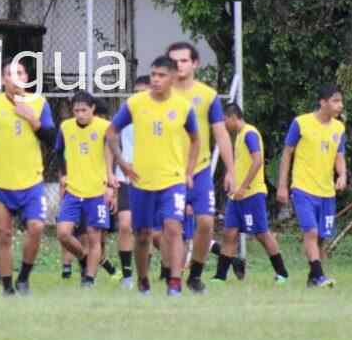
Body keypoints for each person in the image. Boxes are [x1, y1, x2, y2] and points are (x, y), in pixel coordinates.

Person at [107, 56, 199, 297]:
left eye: (161, 75)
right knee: (142, 235)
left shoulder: (183, 107)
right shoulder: (135, 104)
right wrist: (122, 162)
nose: (156, 80)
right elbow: (111, 132)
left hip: (173, 180)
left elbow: (196, 139)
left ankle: (175, 283)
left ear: (172, 78)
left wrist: (189, 172)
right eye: (153, 75)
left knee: (173, 227)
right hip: (141, 181)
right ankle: (143, 280)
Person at [0, 59, 57, 296]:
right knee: (4, 235)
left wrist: (33, 119)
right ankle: (8, 287)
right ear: (2, 80)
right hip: (1, 182)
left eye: (19, 73)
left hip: (31, 181)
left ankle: (24, 278)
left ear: (27, 78)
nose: (15, 77)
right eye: (10, 73)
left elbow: (53, 139)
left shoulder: (39, 103)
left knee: (37, 227)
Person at [165, 41, 235, 294]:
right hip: (169, 171)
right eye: (173, 61)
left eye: (184, 60)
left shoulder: (208, 95)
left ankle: (194, 276)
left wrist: (231, 170)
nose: (178, 65)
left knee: (205, 222)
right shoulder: (161, 95)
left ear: (195, 63)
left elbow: (222, 135)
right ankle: (170, 275)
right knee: (171, 228)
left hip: (200, 170)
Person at [277, 84, 347, 288]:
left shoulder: (339, 128)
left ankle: (312, 277)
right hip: (303, 188)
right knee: (311, 232)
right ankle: (319, 276)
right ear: (322, 102)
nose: (339, 105)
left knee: (322, 238)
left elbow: (339, 155)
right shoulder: (301, 123)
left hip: (327, 192)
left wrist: (342, 174)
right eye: (335, 101)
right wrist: (282, 185)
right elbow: (287, 153)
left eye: (340, 101)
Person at [212, 103, 289, 284]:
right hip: (236, 197)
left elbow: (257, 161)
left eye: (225, 121)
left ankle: (282, 273)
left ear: (232, 117)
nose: (224, 125)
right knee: (229, 233)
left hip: (251, 195)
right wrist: (231, 178)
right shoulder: (238, 136)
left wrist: (243, 187)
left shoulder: (249, 133)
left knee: (262, 234)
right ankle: (220, 276)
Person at [55, 92, 117, 287]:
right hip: (73, 191)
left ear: (93, 109)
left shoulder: (105, 127)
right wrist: (63, 175)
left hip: (97, 192)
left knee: (94, 235)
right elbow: (58, 153)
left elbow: (112, 158)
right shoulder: (65, 127)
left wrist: (110, 186)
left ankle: (89, 279)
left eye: (83, 110)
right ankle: (83, 257)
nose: (80, 114)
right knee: (63, 233)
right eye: (76, 110)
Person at [112, 76, 150, 288]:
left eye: (143, 92)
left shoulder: (160, 115)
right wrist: (113, 174)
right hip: (126, 177)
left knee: (147, 229)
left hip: (152, 179)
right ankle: (127, 276)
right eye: (135, 92)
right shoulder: (124, 115)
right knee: (125, 225)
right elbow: (110, 141)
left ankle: (147, 275)